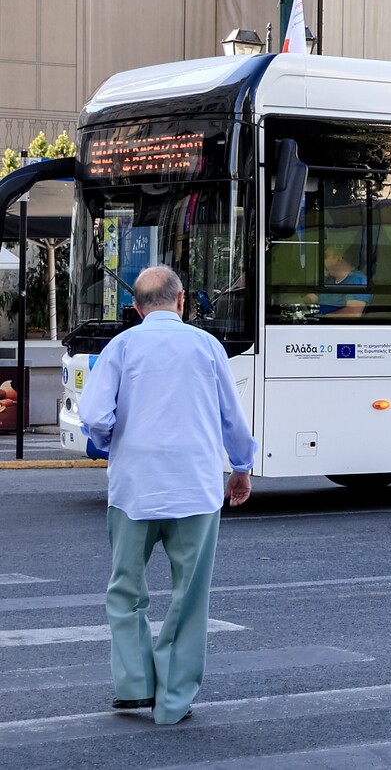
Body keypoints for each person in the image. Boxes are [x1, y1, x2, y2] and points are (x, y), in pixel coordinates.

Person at [77, 265, 257, 725]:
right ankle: (173, 700)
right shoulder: (207, 346)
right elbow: (231, 418)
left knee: (126, 590)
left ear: (136, 308)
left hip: (133, 488)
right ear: (181, 302)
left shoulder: (120, 346)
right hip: (194, 490)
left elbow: (95, 416)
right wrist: (241, 468)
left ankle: (135, 685)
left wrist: (115, 437)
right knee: (189, 595)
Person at [311, 241, 369, 317]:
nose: (322, 260)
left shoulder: (358, 280)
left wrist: (322, 318)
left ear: (338, 258)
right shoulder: (328, 279)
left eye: (325, 256)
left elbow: (353, 313)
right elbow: (312, 298)